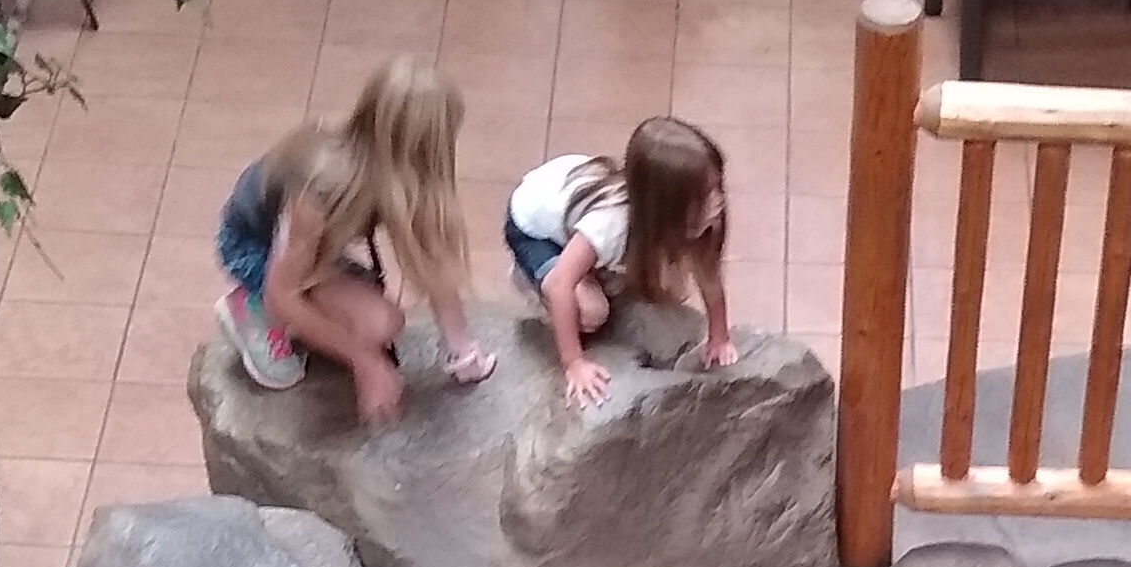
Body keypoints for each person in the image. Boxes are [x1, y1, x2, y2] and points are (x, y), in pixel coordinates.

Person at [215, 60, 498, 424]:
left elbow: (433, 258)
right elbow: (282, 292)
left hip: (316, 251)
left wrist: (462, 347)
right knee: (378, 326)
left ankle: (313, 309)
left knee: (376, 321)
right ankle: (251, 308)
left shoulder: (391, 174)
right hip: (254, 247)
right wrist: (365, 362)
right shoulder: (322, 188)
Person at [507, 119, 739, 413]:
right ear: (667, 205)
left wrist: (719, 337)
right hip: (532, 228)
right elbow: (559, 285)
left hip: (569, 202)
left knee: (616, 277)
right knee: (592, 312)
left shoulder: (686, 216)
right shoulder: (610, 224)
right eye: (705, 195)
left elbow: (708, 274)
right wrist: (574, 363)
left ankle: (587, 266)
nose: (718, 201)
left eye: (717, 188)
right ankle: (530, 276)